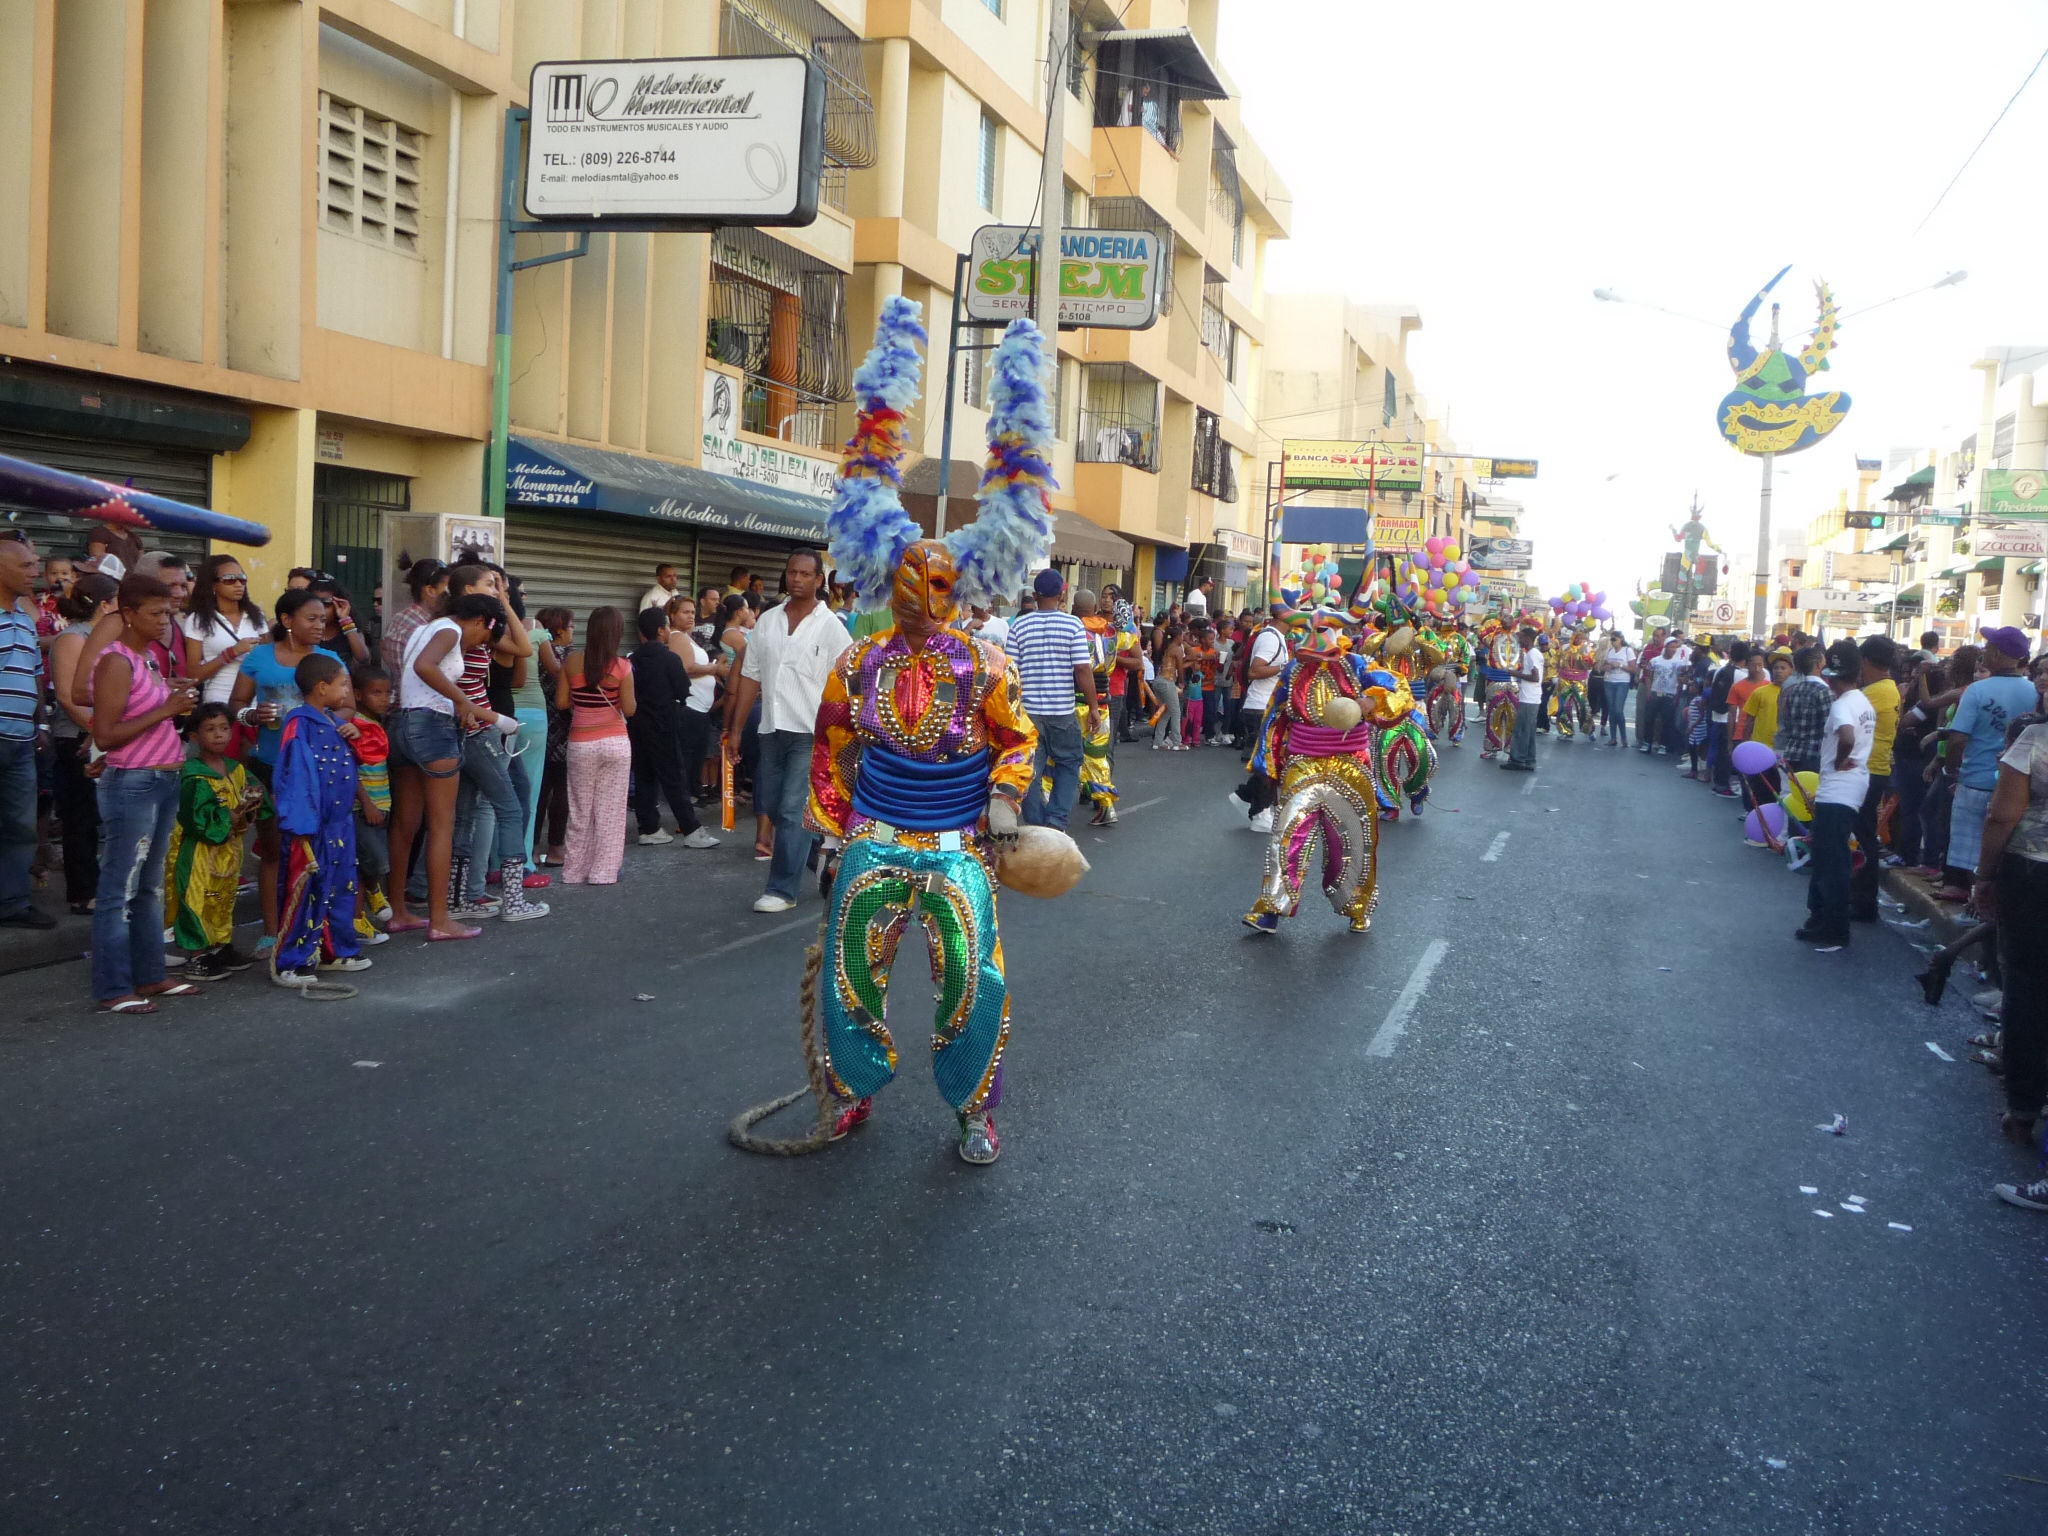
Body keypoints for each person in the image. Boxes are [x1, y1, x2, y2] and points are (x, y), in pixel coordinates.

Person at [803, 300, 1053, 1166]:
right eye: (911, 573)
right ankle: (850, 1093)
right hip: (874, 839)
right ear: (886, 572)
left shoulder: (988, 665)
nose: (923, 589)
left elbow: (1016, 739)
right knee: (850, 978)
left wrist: (1005, 797)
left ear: (963, 585)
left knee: (971, 984)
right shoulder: (859, 657)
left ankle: (974, 1111)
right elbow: (832, 743)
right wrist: (834, 830)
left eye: (940, 578)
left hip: (957, 848)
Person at [1241, 610, 1402, 934]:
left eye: (1322, 628)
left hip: (1350, 764)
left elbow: (1399, 691)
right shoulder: (1294, 670)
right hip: (1303, 762)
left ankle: (1357, 906)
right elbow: (1275, 717)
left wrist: (1371, 701)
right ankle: (1272, 908)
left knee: (1352, 840)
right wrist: (1267, 767)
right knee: (1286, 835)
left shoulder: (1358, 666)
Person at [87, 575, 201, 1009]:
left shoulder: (146, 660)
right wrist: (166, 709)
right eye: (155, 613)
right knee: (120, 888)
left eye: (168, 612)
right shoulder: (116, 661)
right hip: (134, 782)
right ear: (128, 614)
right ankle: (114, 987)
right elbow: (107, 732)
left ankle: (151, 975)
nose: (164, 621)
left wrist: (170, 699)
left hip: (162, 778)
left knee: (150, 887)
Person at [722, 550, 849, 912]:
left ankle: (781, 890)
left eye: (805, 574)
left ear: (818, 580)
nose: (797, 579)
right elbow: (750, 676)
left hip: (810, 732)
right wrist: (734, 730)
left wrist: (839, 738)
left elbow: (843, 685)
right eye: (792, 572)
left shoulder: (832, 627)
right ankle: (823, 859)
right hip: (770, 728)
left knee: (793, 810)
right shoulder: (768, 621)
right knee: (777, 808)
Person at [230, 589, 343, 948]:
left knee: (315, 848)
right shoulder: (260, 657)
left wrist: (324, 721)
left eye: (323, 619)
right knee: (273, 848)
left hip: (317, 767)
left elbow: (348, 707)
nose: (319, 625)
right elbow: (237, 701)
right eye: (311, 618)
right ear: (287, 621)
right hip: (269, 763)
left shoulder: (328, 659)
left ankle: (314, 928)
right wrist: (251, 715)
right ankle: (272, 931)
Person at [384, 591, 501, 941]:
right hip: (432, 729)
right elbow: (425, 666)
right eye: (486, 636)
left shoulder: (427, 627)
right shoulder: (451, 631)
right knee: (441, 826)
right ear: (480, 621)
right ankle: (439, 920)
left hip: (403, 725)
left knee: (405, 824)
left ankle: (398, 911)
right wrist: (462, 699)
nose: (481, 645)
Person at [1974, 711, 2048, 1205]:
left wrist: (1984, 875)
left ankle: (2023, 1109)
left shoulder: (2037, 738)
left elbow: (2003, 813)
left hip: (2035, 874)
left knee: (2029, 991)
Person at [270, 653, 368, 987]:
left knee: (341, 887)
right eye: (342, 684)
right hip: (312, 826)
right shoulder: (300, 724)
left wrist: (354, 735)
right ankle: (292, 961)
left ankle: (335, 950)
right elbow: (295, 777)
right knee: (307, 890)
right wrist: (300, 827)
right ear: (322, 687)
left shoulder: (329, 720)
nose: (346, 690)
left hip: (340, 825)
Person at [165, 703, 264, 982]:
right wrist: (227, 817)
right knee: (197, 899)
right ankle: (197, 955)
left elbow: (248, 801)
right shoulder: (193, 775)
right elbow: (196, 817)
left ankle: (219, 946)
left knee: (222, 898)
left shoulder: (235, 769)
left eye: (224, 728)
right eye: (210, 730)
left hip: (228, 848)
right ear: (195, 737)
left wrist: (251, 806)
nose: (219, 735)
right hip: (200, 851)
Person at [1938, 626, 2037, 904]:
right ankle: (1993, 918)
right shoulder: (2034, 691)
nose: (1983, 652)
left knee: (1973, 857)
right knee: (2004, 854)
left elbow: (1957, 739)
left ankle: (1976, 908)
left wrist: (1951, 770)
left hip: (1974, 782)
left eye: (1987, 647)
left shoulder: (1977, 690)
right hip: (2016, 787)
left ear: (1996, 653)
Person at [45, 570, 119, 915]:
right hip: (76, 738)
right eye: (118, 601)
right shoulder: (74, 638)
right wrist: (97, 730)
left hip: (104, 736)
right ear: (105, 605)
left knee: (100, 819)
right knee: (80, 819)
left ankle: (101, 887)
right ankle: (82, 892)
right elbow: (67, 696)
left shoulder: (108, 637)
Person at [1797, 640, 1875, 949]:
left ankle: (1832, 924)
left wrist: (1838, 760)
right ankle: (1823, 919)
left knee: (1830, 860)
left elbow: (1846, 735)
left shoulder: (1842, 704)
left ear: (1831, 676)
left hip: (1839, 787)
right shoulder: (1862, 702)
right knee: (1831, 855)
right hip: (1853, 785)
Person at [1005, 568, 1098, 825]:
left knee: (1029, 769)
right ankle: (1056, 821)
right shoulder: (1072, 624)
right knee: (1069, 764)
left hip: (1028, 713)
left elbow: (1010, 672)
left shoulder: (1019, 625)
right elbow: (1082, 668)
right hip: (1062, 711)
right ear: (1062, 594)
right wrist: (1093, 707)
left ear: (1035, 595)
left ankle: (1035, 823)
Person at [555, 606, 636, 885]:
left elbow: (562, 703)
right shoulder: (623, 666)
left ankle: (574, 871)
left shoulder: (572, 662)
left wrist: (584, 701)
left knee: (579, 809)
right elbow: (630, 708)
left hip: (581, 743)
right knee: (610, 811)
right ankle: (604, 872)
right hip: (615, 742)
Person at [0, 532, 56, 931]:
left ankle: (13, 903)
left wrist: (39, 722)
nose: (34, 573)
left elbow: (36, 675)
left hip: (21, 739)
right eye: (25, 566)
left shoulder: (23, 616)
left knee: (20, 825)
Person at [628, 607, 719, 849]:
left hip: (637, 725)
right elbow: (682, 690)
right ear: (660, 631)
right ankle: (691, 829)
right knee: (674, 778)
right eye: (667, 625)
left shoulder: (632, 659)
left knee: (645, 776)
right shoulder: (670, 658)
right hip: (665, 724)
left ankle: (649, 828)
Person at [1845, 636, 1899, 922]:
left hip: (1867, 770)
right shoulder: (1887, 689)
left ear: (1865, 661)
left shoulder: (1875, 692)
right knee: (1864, 835)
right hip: (1874, 768)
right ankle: (1862, 899)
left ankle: (1864, 902)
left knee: (1862, 838)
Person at [1227, 605, 1293, 830]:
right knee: (1267, 763)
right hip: (1260, 707)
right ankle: (1259, 812)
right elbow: (1254, 671)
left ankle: (1244, 796)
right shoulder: (1270, 639)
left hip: (1269, 706)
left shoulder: (1277, 637)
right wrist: (1284, 667)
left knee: (1270, 761)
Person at [180, 554, 268, 705]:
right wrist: (231, 653)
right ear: (213, 585)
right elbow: (193, 675)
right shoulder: (198, 619)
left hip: (254, 703)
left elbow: (269, 659)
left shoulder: (256, 616)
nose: (238, 584)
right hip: (218, 702)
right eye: (229, 580)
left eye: (242, 579)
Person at [346, 664, 394, 936]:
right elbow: (350, 770)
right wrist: (366, 803)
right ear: (358, 694)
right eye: (376, 693)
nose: (384, 698)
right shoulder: (353, 726)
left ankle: (362, 914)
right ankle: (362, 911)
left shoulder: (375, 724)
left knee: (369, 862)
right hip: (361, 808)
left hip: (380, 805)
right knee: (369, 862)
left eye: (387, 693)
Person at [1070, 589, 1121, 826]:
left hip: (1073, 702)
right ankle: (1106, 806)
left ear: (1073, 607)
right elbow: (1133, 639)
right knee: (1097, 756)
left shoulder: (1072, 628)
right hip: (1102, 704)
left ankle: (1047, 802)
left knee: (1055, 756)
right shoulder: (1112, 631)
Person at [532, 606, 574, 865]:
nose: (573, 631)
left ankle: (533, 847)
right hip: (566, 729)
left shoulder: (533, 654)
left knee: (537, 791)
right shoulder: (570, 658)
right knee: (562, 793)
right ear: (558, 629)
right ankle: (557, 848)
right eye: (570, 626)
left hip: (539, 728)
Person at [381, 558, 449, 678]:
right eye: (448, 588)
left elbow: (383, 647)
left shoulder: (400, 618)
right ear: (430, 591)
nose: (451, 593)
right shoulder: (425, 627)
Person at [1774, 645, 1831, 777]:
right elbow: (1829, 726)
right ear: (1818, 665)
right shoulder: (1824, 691)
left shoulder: (1793, 689)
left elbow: (1786, 722)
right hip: (1814, 754)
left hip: (1792, 752)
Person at [1704, 640, 1747, 797]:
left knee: (1720, 750)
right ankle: (1723, 785)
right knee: (1727, 752)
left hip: (1717, 716)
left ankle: (1719, 782)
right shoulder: (1741, 675)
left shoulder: (1720, 670)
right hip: (1731, 719)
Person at [1639, 635, 1686, 754]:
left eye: (1675, 647)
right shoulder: (1655, 661)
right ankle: (1647, 743)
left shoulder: (1678, 663)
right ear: (1666, 647)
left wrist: (1677, 695)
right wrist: (1649, 691)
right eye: (1671, 647)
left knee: (1667, 721)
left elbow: (1681, 680)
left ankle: (1663, 745)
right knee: (1649, 718)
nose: (1674, 649)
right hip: (1655, 693)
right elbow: (1649, 676)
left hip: (1669, 694)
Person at [1505, 625, 1543, 770]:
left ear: (1527, 639)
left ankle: (1518, 760)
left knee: (1521, 730)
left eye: (1520, 637)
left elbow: (1535, 677)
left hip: (1529, 698)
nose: (1518, 640)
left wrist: (1515, 674)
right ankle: (1528, 759)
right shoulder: (1533, 653)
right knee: (1529, 731)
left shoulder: (1532, 654)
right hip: (1532, 697)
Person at [1598, 630, 1636, 748]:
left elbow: (1633, 669)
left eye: (1615, 639)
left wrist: (1619, 665)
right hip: (1609, 681)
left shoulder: (1627, 650)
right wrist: (1608, 667)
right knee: (1612, 710)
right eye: (1611, 639)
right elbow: (1603, 666)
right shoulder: (1610, 651)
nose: (1613, 642)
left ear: (1621, 639)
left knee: (1618, 710)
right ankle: (1613, 738)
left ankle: (1624, 737)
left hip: (1622, 682)